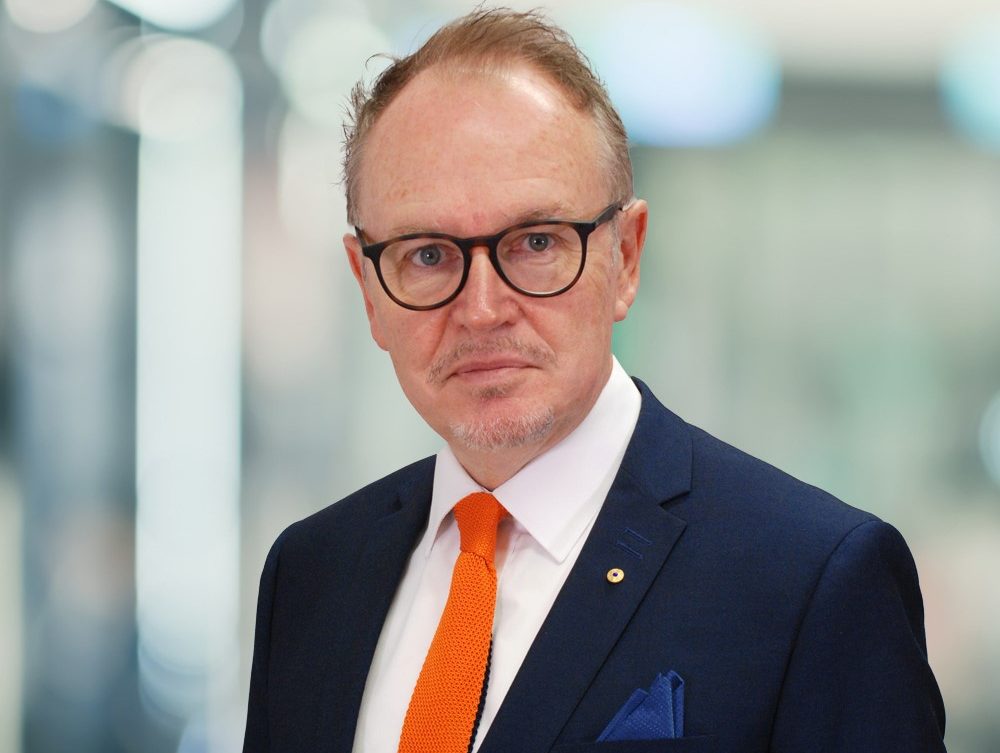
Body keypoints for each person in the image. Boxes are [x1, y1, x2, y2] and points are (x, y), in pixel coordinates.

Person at [243, 8, 946, 753]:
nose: (481, 309)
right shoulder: (313, 573)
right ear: (367, 288)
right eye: (427, 255)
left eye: (537, 242)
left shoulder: (811, 582)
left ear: (627, 257)